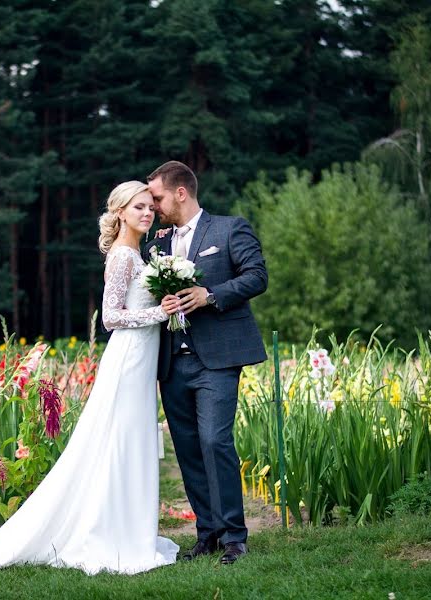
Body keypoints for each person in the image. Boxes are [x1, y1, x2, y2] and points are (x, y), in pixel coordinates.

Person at [0, 181, 181, 574]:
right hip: (127, 360)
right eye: (138, 207)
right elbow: (110, 318)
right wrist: (160, 313)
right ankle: (108, 533)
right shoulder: (122, 257)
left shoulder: (138, 253)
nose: (147, 212)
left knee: (131, 441)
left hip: (141, 363)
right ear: (119, 212)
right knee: (116, 441)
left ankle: (131, 529)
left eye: (150, 207)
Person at [145, 160, 268, 565]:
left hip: (217, 359)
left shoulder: (230, 228)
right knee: (189, 448)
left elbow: (256, 276)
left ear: (181, 192)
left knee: (215, 440)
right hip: (172, 361)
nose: (154, 205)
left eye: (158, 197)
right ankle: (208, 533)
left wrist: (209, 295)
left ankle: (235, 537)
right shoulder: (157, 241)